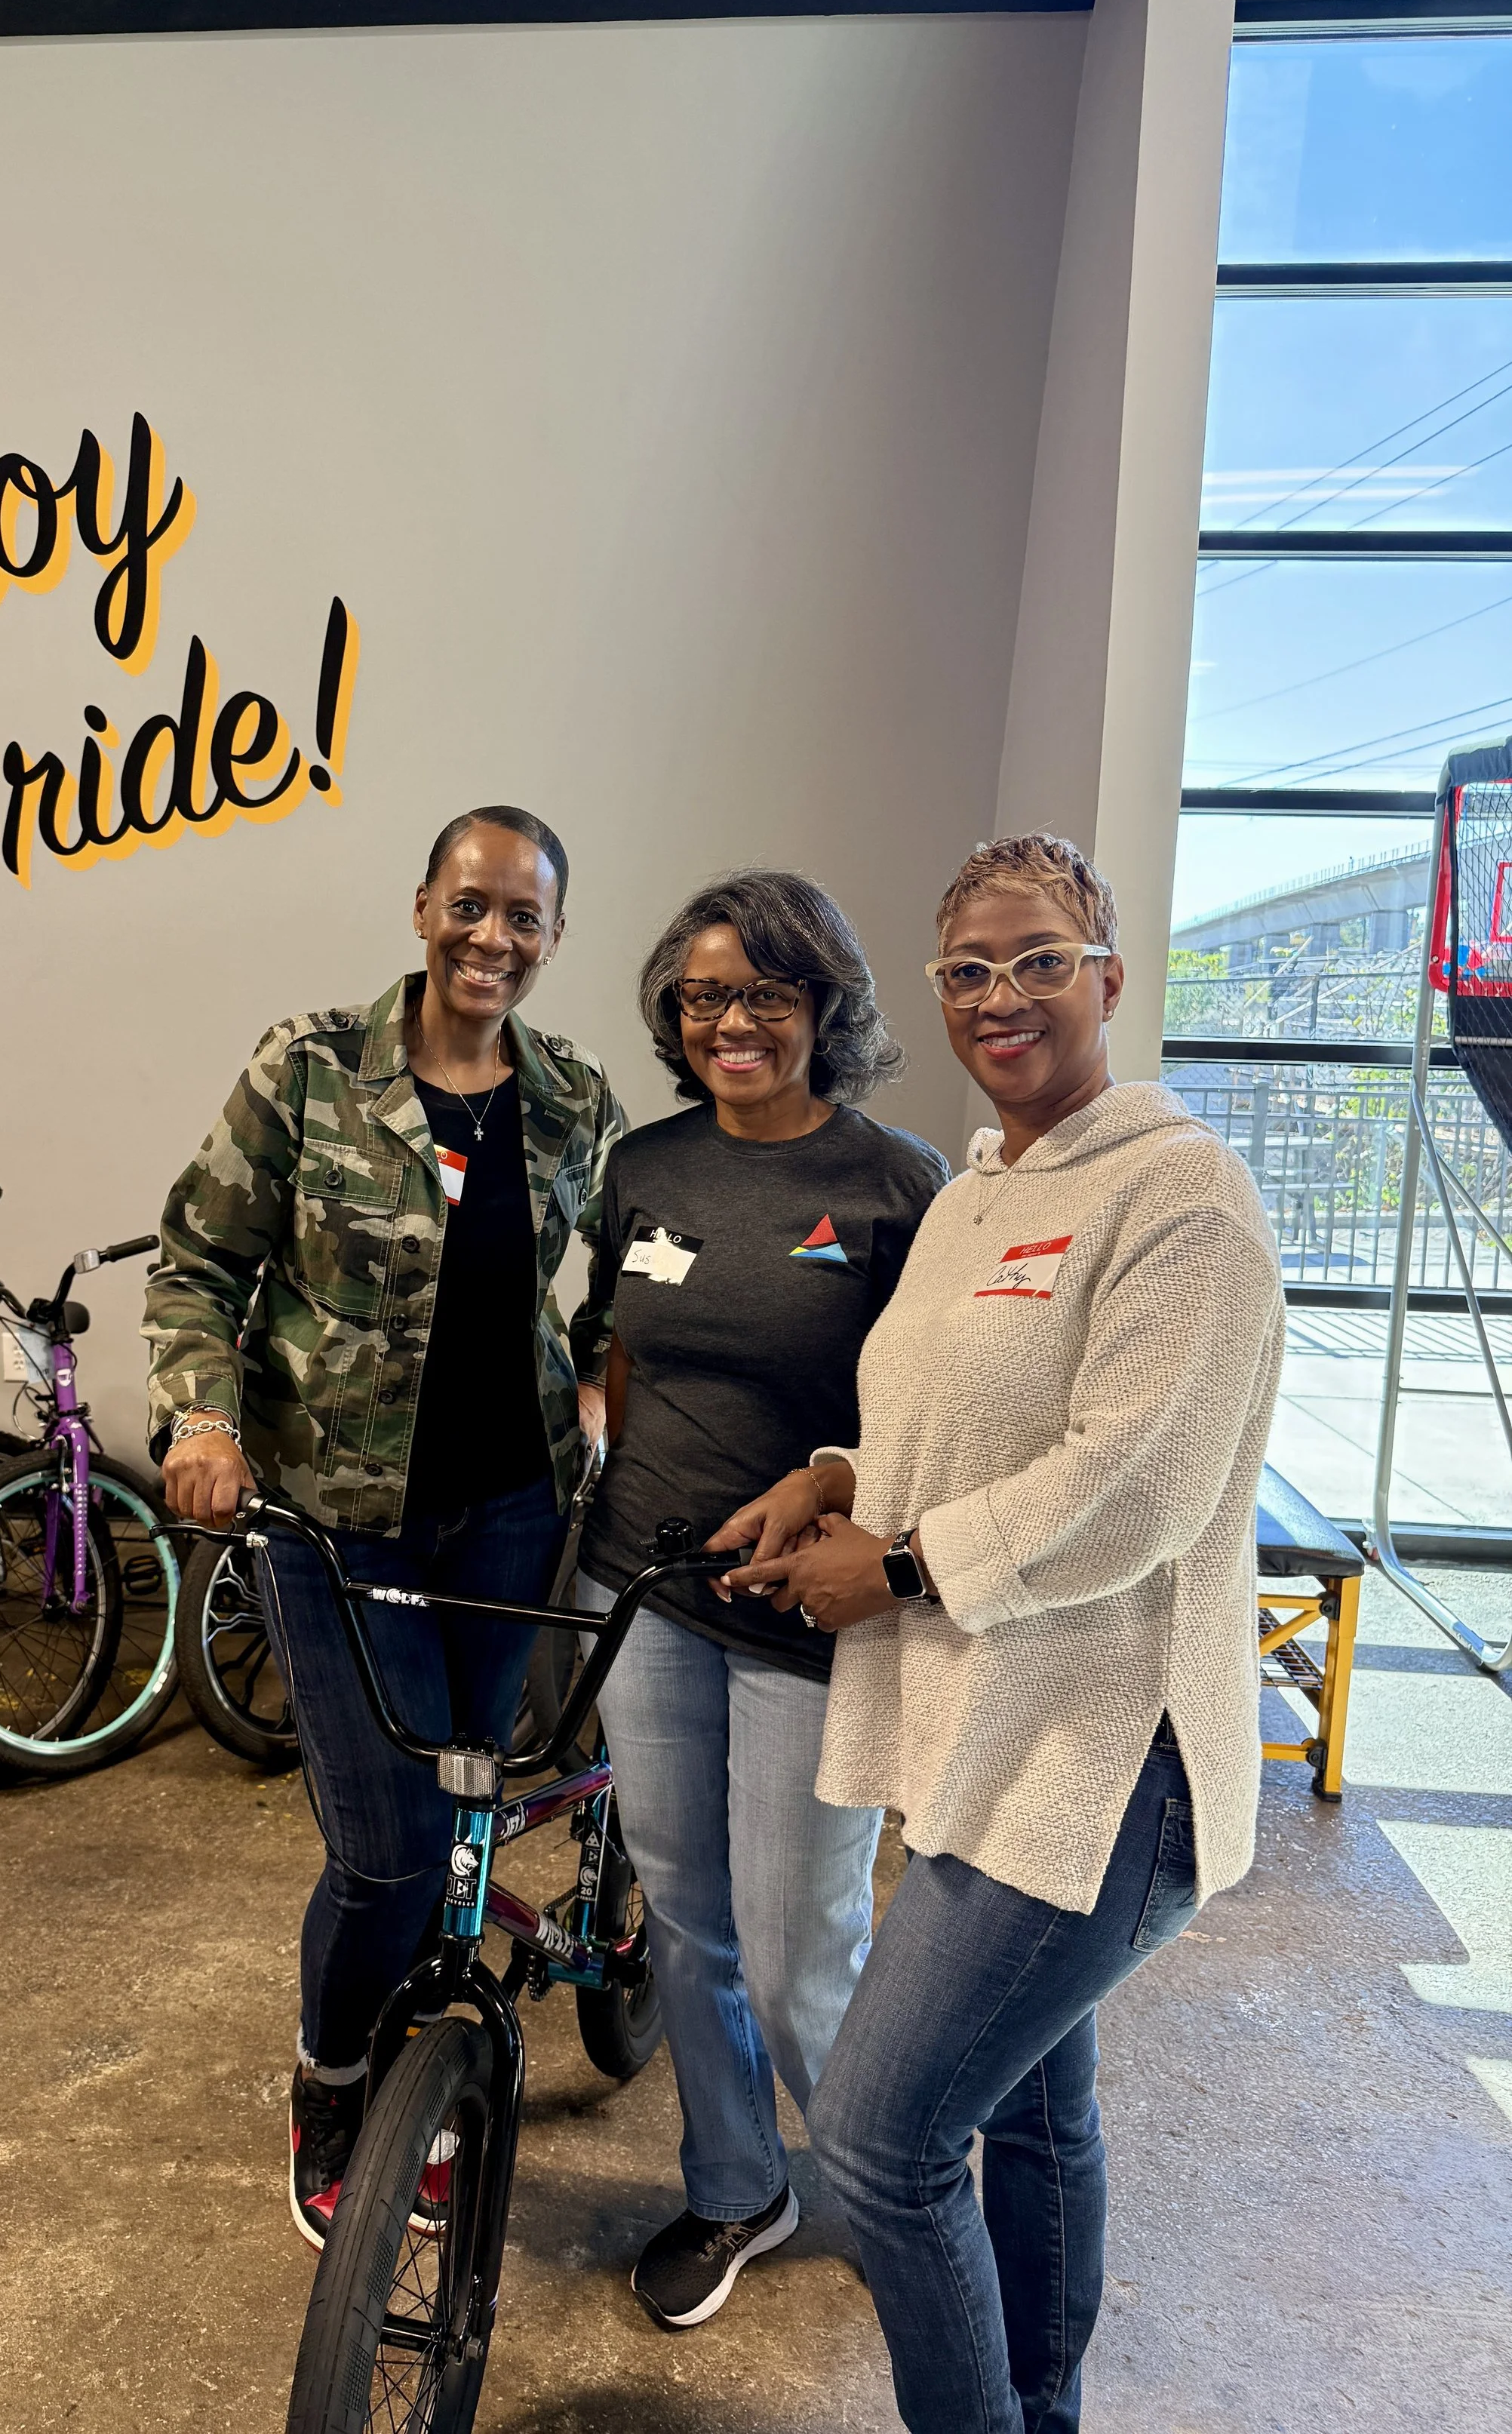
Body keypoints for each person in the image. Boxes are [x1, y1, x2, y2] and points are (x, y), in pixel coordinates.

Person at [711, 833, 1283, 2434]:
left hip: (1104, 1760)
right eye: (966, 969)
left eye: (1038, 959)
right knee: (1033, 2115)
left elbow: (1137, 1484)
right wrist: (831, 1474)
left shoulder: (1181, 1195)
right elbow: (937, 1416)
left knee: (883, 2149)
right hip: (993, 1728)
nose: (1000, 996)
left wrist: (889, 1565)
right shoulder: (984, 1191)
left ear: (1108, 975)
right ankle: (1040, 2407)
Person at [144, 805, 622, 2249]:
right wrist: (205, 1421)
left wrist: (603, 1378)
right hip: (342, 1525)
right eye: (472, 905)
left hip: (508, 1517)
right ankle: (338, 2074)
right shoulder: (306, 1070)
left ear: (552, 938)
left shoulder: (573, 1102)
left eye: (525, 917)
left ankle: (432, 2056)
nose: (494, 938)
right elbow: (196, 1265)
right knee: (390, 1843)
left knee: (472, 1801)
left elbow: (619, 1288)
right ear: (423, 907)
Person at [576, 870, 947, 2331]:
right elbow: (612, 1353)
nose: (730, 1021)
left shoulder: (894, 1182)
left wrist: (850, 1507)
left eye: (764, 994)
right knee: (684, 1914)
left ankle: (878, 2173)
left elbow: (928, 1411)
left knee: (801, 1948)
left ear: (822, 1007)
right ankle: (737, 2183)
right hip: (645, 1593)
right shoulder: (641, 1168)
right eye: (704, 996)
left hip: (808, 1611)